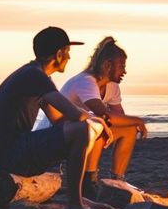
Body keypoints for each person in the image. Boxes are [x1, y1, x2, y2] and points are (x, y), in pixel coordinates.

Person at [0, 27, 110, 209]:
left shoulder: (34, 75)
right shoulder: (34, 75)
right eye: (68, 52)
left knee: (79, 129)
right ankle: (76, 204)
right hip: (11, 155)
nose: (69, 58)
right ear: (59, 54)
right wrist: (97, 120)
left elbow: (58, 119)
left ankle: (77, 199)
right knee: (81, 130)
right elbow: (75, 115)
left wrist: (88, 122)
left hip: (9, 153)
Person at [41, 36, 148, 197]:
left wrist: (131, 124)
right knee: (97, 125)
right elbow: (104, 114)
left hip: (77, 132)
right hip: (54, 135)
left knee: (128, 129)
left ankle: (118, 181)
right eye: (121, 66)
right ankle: (88, 181)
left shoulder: (112, 86)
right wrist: (139, 120)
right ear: (107, 65)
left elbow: (119, 118)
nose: (124, 71)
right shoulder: (85, 81)